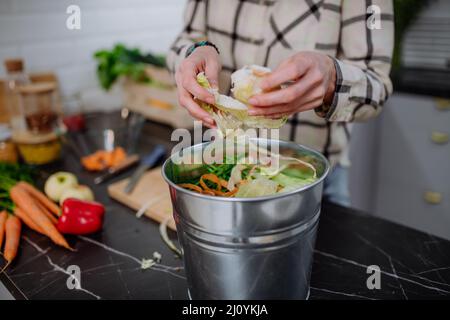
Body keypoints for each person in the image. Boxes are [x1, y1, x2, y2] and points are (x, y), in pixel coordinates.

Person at [167, 0, 394, 207]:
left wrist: (333, 79)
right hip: (222, 170)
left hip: (309, 181)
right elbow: (187, 37)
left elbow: (377, 85)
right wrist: (194, 52)